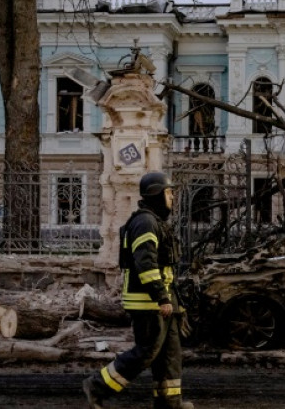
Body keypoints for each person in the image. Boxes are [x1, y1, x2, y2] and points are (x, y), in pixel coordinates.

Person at [83, 171, 193, 409]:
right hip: (148, 303)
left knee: (169, 355)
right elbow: (146, 265)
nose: (172, 197)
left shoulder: (154, 221)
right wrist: (162, 297)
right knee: (147, 352)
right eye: (168, 192)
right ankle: (96, 385)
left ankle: (169, 402)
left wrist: (174, 302)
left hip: (162, 302)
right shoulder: (145, 223)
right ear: (156, 194)